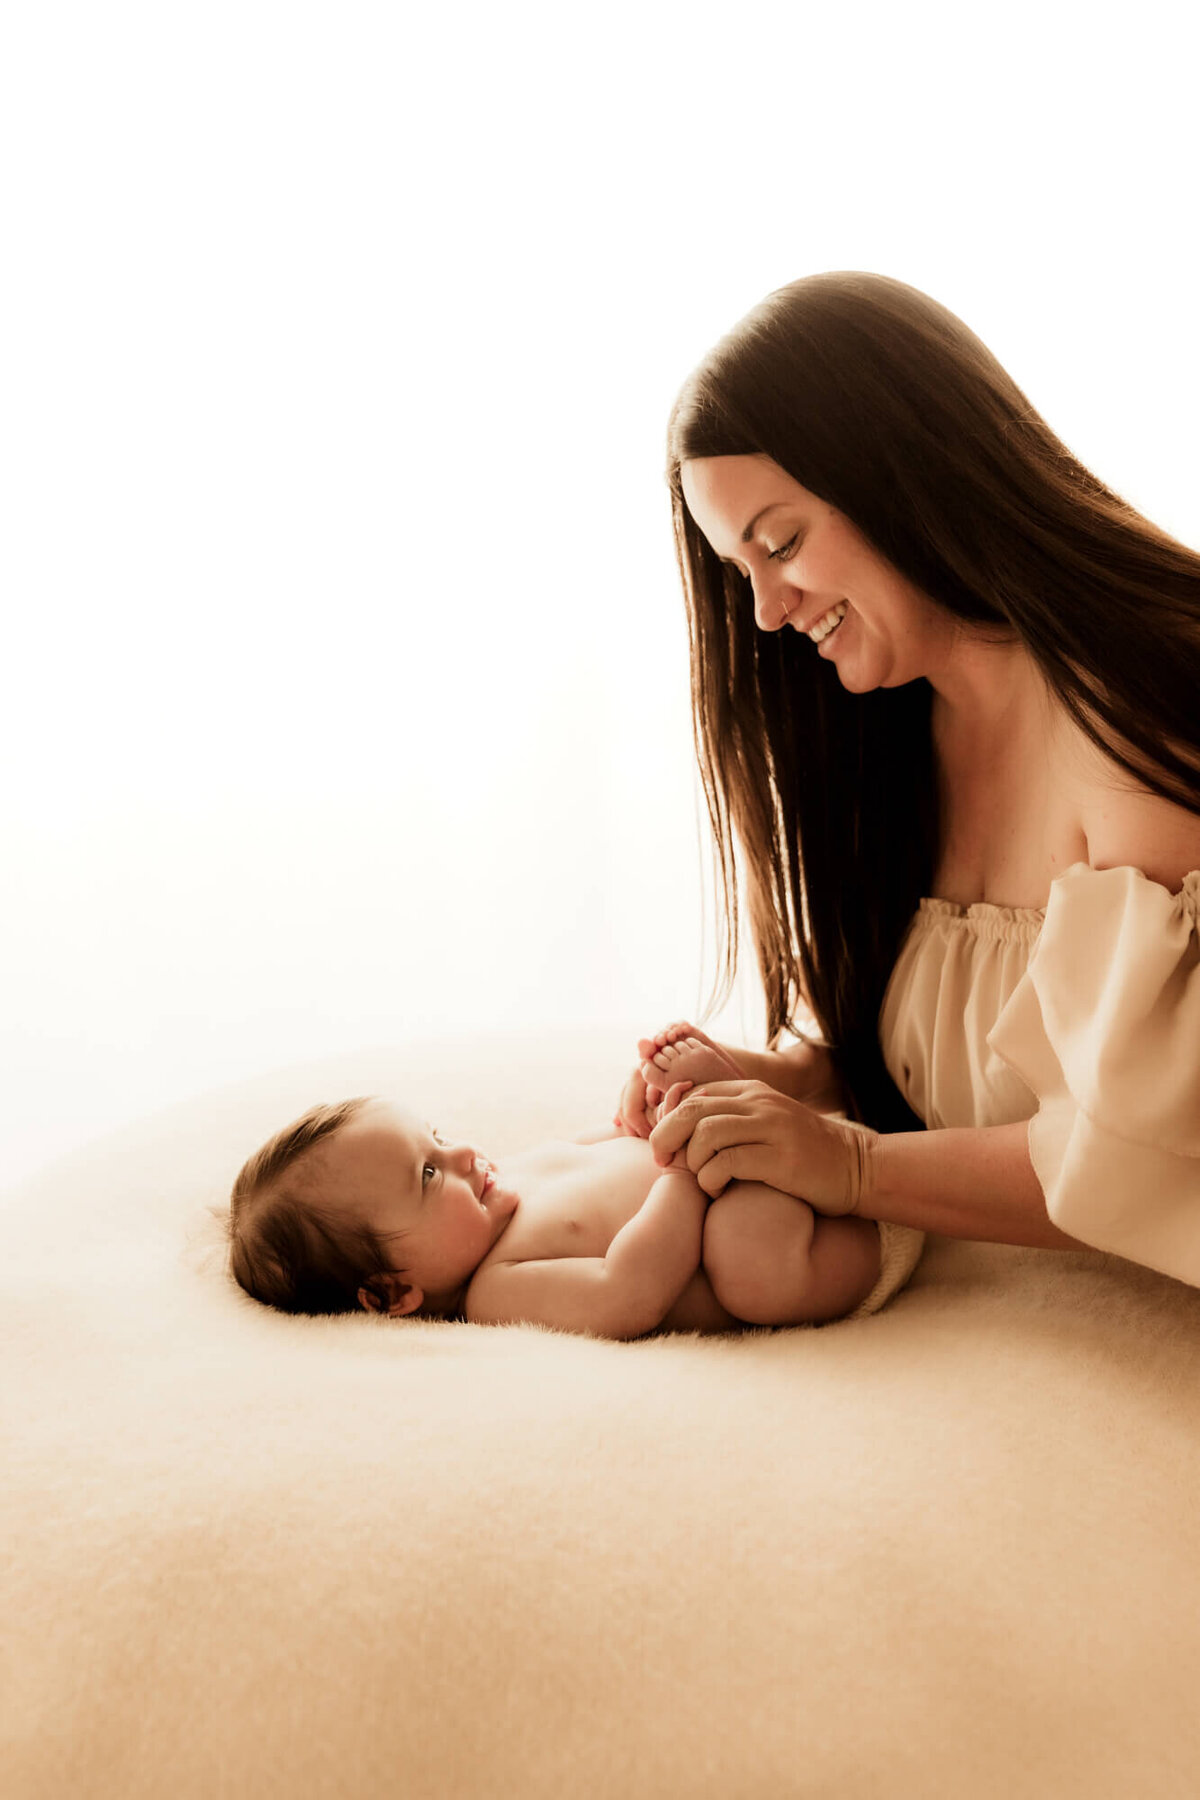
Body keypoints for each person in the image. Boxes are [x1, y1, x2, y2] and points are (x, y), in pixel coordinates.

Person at [616, 271, 1200, 1292]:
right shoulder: (891, 729)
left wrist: (847, 1161)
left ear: (903, 471)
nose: (765, 611)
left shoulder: (1137, 710)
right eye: (739, 569)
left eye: (782, 543)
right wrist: (799, 1079)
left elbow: (1144, 1149)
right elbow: (998, 1055)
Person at [223, 1034, 924, 1338]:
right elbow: (630, 1290)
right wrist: (681, 1174)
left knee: (724, 1158)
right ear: (390, 1293)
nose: (464, 1153)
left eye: (437, 1136)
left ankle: (766, 1099)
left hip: (752, 1169)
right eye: (429, 1174)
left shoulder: (512, 1180)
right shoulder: (500, 1289)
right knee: (747, 1265)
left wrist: (646, 1114)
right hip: (797, 1238)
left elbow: (616, 1143)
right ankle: (877, 1196)